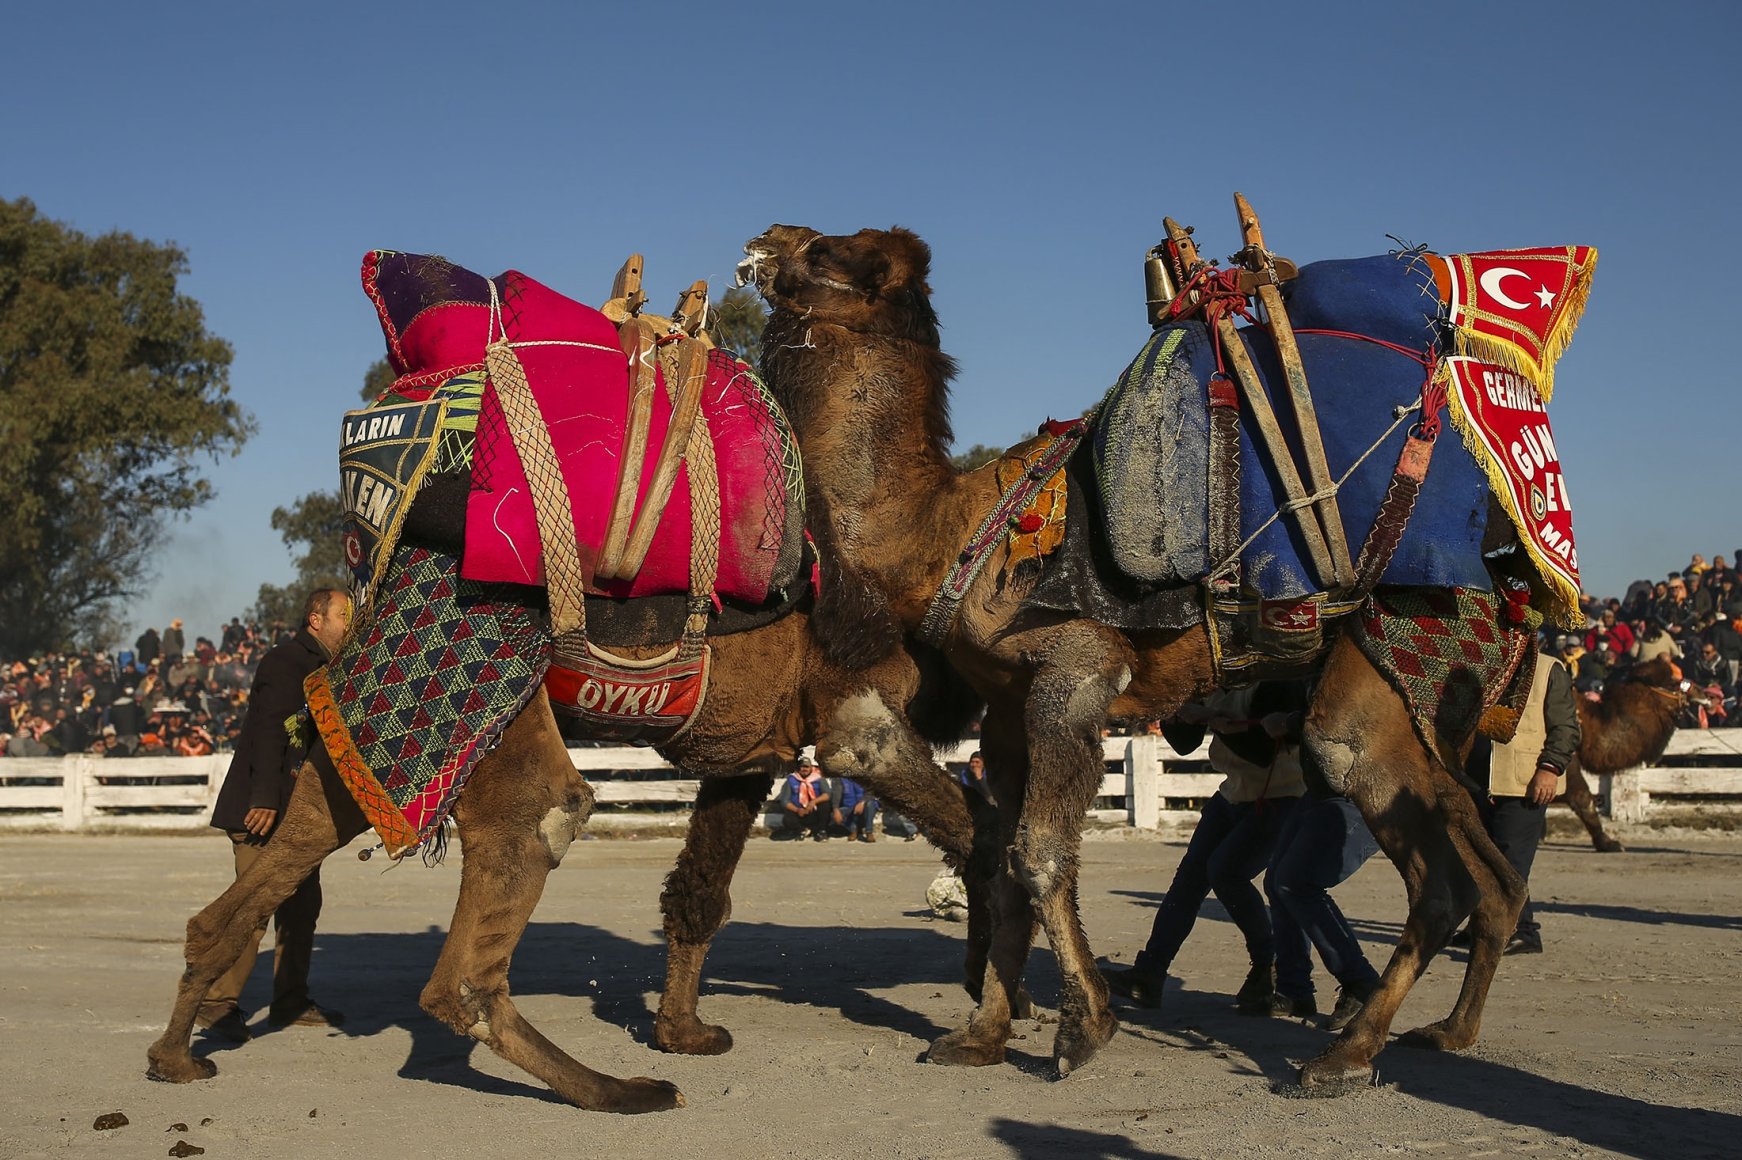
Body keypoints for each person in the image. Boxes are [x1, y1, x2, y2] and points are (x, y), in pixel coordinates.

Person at [197, 588, 353, 1041]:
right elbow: (268, 730)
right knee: (253, 907)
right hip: (264, 811)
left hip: (300, 818)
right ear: (315, 620)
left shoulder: (332, 668)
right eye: (343, 614)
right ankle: (214, 1001)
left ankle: (290, 999)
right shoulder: (286, 661)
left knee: (302, 908)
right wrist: (263, 797)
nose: (350, 621)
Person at [1102, 681, 1309, 1011]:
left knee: (1226, 874)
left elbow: (1261, 751)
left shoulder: (1275, 682)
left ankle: (1267, 964)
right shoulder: (1215, 682)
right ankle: (1149, 975)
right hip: (1233, 794)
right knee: (1188, 882)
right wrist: (1174, 710)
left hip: (1281, 797)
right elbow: (1185, 745)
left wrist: (1209, 718)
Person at [1464, 644, 1581, 955]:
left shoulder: (1548, 668)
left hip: (1525, 781)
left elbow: (1566, 728)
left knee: (1510, 863)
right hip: (1480, 779)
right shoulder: (1483, 664)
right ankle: (1482, 926)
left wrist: (1550, 768)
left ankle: (1523, 930)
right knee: (1481, 858)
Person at [1264, 793, 1382, 1026]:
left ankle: (1360, 981)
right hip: (1317, 794)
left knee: (1296, 883)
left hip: (1362, 796)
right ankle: (1294, 989)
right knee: (1278, 884)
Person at [769, 747, 833, 841]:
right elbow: (785, 801)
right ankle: (802, 830)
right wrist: (797, 810)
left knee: (826, 805)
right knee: (787, 817)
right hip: (799, 812)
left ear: (811, 767)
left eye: (806, 767)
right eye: (802, 767)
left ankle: (821, 831)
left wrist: (813, 802)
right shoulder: (792, 779)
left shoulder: (818, 778)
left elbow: (827, 794)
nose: (804, 769)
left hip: (814, 811)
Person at [830, 776, 880, 842]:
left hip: (864, 806)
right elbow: (836, 794)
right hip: (849, 808)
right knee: (834, 815)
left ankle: (869, 832)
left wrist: (862, 802)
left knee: (870, 804)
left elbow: (870, 792)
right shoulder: (838, 778)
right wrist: (836, 809)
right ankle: (853, 830)